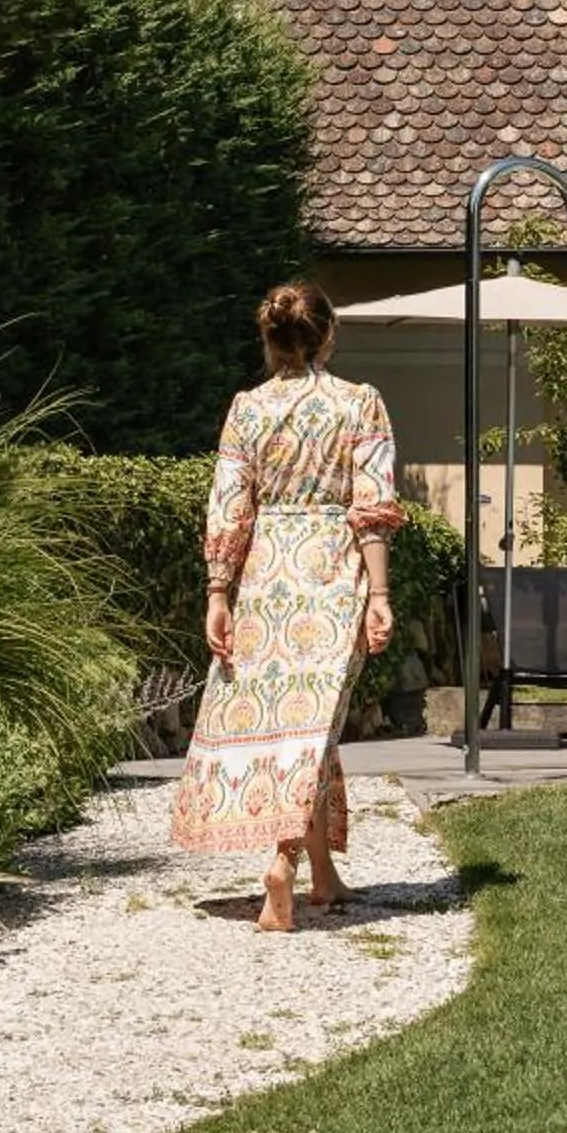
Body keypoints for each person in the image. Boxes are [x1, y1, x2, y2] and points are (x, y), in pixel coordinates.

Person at [171, 281, 404, 931]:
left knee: (306, 725)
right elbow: (372, 506)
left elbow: (229, 505)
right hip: (333, 572)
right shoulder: (360, 404)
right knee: (317, 723)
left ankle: (324, 875)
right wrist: (380, 594)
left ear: (269, 340)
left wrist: (218, 591)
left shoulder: (247, 409)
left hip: (268, 572)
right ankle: (284, 865)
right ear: (327, 335)